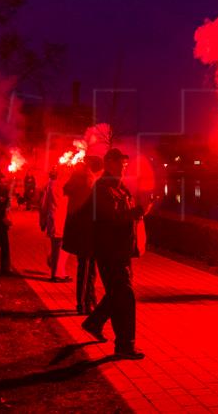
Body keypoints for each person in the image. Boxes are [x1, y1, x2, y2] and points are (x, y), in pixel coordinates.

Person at [81, 148, 145, 360]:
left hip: (122, 250)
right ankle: (125, 345)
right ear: (108, 164)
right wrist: (134, 213)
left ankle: (94, 322)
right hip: (109, 251)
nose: (123, 168)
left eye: (125, 165)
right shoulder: (102, 188)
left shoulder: (121, 188)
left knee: (118, 294)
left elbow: (124, 214)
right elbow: (109, 218)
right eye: (119, 164)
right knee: (125, 296)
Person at [63, 156, 104, 314]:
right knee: (86, 269)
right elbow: (90, 208)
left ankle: (89, 299)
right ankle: (83, 303)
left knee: (88, 268)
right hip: (86, 231)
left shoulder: (80, 177)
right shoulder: (87, 180)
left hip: (82, 231)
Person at [40, 168, 71, 282]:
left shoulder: (50, 185)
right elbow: (45, 204)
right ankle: (56, 274)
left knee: (60, 248)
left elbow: (43, 204)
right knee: (59, 248)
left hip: (57, 220)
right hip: (58, 220)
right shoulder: (59, 185)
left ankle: (60, 272)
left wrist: (42, 220)